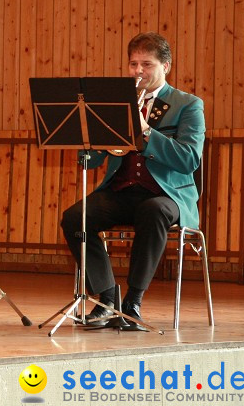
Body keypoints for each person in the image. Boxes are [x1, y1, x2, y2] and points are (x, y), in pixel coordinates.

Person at [60, 32, 205, 331]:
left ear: (166, 66)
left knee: (153, 212)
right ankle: (107, 299)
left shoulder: (187, 105)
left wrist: (146, 132)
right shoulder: (118, 102)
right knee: (75, 217)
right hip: (122, 190)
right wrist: (89, 137)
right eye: (133, 64)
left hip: (167, 194)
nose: (138, 71)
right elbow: (96, 160)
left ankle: (133, 303)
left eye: (147, 64)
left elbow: (189, 159)